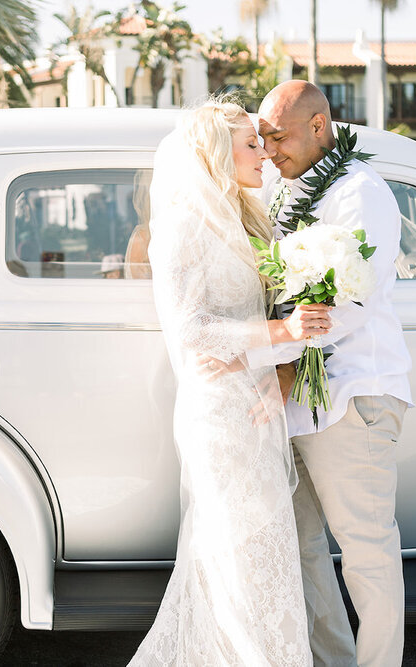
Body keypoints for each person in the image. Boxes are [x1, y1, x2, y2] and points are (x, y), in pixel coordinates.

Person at [129, 99, 331, 666]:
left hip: (257, 406)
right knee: (238, 553)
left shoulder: (249, 216)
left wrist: (278, 358)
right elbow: (191, 331)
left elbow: (252, 320)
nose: (265, 153)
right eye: (250, 144)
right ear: (218, 153)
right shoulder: (181, 229)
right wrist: (280, 329)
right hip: (219, 416)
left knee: (265, 550)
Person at [253, 80, 413, 667]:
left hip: (352, 395)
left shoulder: (360, 191)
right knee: (303, 552)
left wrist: (288, 374)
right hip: (294, 402)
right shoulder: (283, 188)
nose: (268, 148)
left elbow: (350, 301)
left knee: (367, 555)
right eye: (262, 138)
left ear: (319, 127)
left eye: (279, 135)